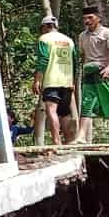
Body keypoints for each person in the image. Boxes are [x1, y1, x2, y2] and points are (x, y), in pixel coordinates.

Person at [76, 6, 109, 144]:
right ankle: (81, 136)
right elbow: (83, 56)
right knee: (86, 104)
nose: (87, 21)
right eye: (85, 18)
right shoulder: (82, 36)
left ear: (98, 18)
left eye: (90, 17)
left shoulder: (107, 33)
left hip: (103, 73)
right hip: (88, 73)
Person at [31, 15, 76, 147]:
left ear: (45, 26)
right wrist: (72, 81)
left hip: (52, 81)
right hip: (67, 81)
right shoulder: (69, 41)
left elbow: (43, 60)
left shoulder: (44, 39)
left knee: (51, 110)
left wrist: (37, 80)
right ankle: (69, 142)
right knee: (65, 113)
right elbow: (74, 63)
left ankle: (57, 141)